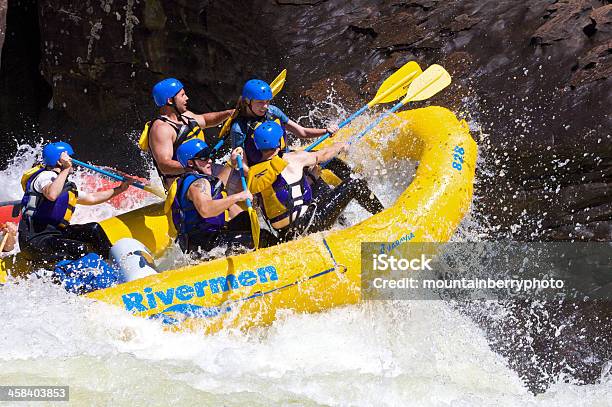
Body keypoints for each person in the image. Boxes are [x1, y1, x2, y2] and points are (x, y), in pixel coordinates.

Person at [246, 121, 384, 241]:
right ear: (280, 141)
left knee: (321, 193)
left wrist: (311, 178)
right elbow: (322, 156)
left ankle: (344, 227)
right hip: (310, 225)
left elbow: (281, 195)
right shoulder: (291, 158)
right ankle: (383, 215)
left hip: (285, 234)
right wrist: (339, 146)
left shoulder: (253, 173)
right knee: (354, 184)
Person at [18, 142, 134, 265]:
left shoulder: (63, 183)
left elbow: (92, 198)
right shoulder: (45, 176)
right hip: (34, 240)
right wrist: (66, 168)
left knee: (93, 230)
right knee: (79, 248)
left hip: (54, 235)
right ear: (60, 161)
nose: (72, 161)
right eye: (70, 158)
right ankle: (86, 279)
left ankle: (113, 264)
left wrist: (120, 189)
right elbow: (51, 194)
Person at [169, 139, 276, 255]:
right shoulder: (197, 184)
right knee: (264, 238)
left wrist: (232, 162)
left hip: (206, 239)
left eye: (209, 156)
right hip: (204, 246)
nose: (209, 161)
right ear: (191, 163)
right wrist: (238, 197)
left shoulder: (193, 179)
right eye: (203, 158)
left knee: (245, 219)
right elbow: (206, 210)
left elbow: (217, 187)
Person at [144, 78, 234, 189]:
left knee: (242, 176)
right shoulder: (161, 129)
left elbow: (206, 120)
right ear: (170, 101)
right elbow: (164, 165)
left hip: (200, 170)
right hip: (184, 182)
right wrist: (193, 167)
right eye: (182, 95)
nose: (187, 98)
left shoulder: (185, 116)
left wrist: (229, 113)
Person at [231, 79, 340, 166]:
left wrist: (326, 131)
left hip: (285, 157)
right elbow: (243, 166)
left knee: (335, 162)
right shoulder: (239, 128)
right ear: (247, 101)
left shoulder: (273, 111)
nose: (265, 106)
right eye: (260, 102)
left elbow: (302, 132)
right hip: (263, 169)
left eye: (267, 102)